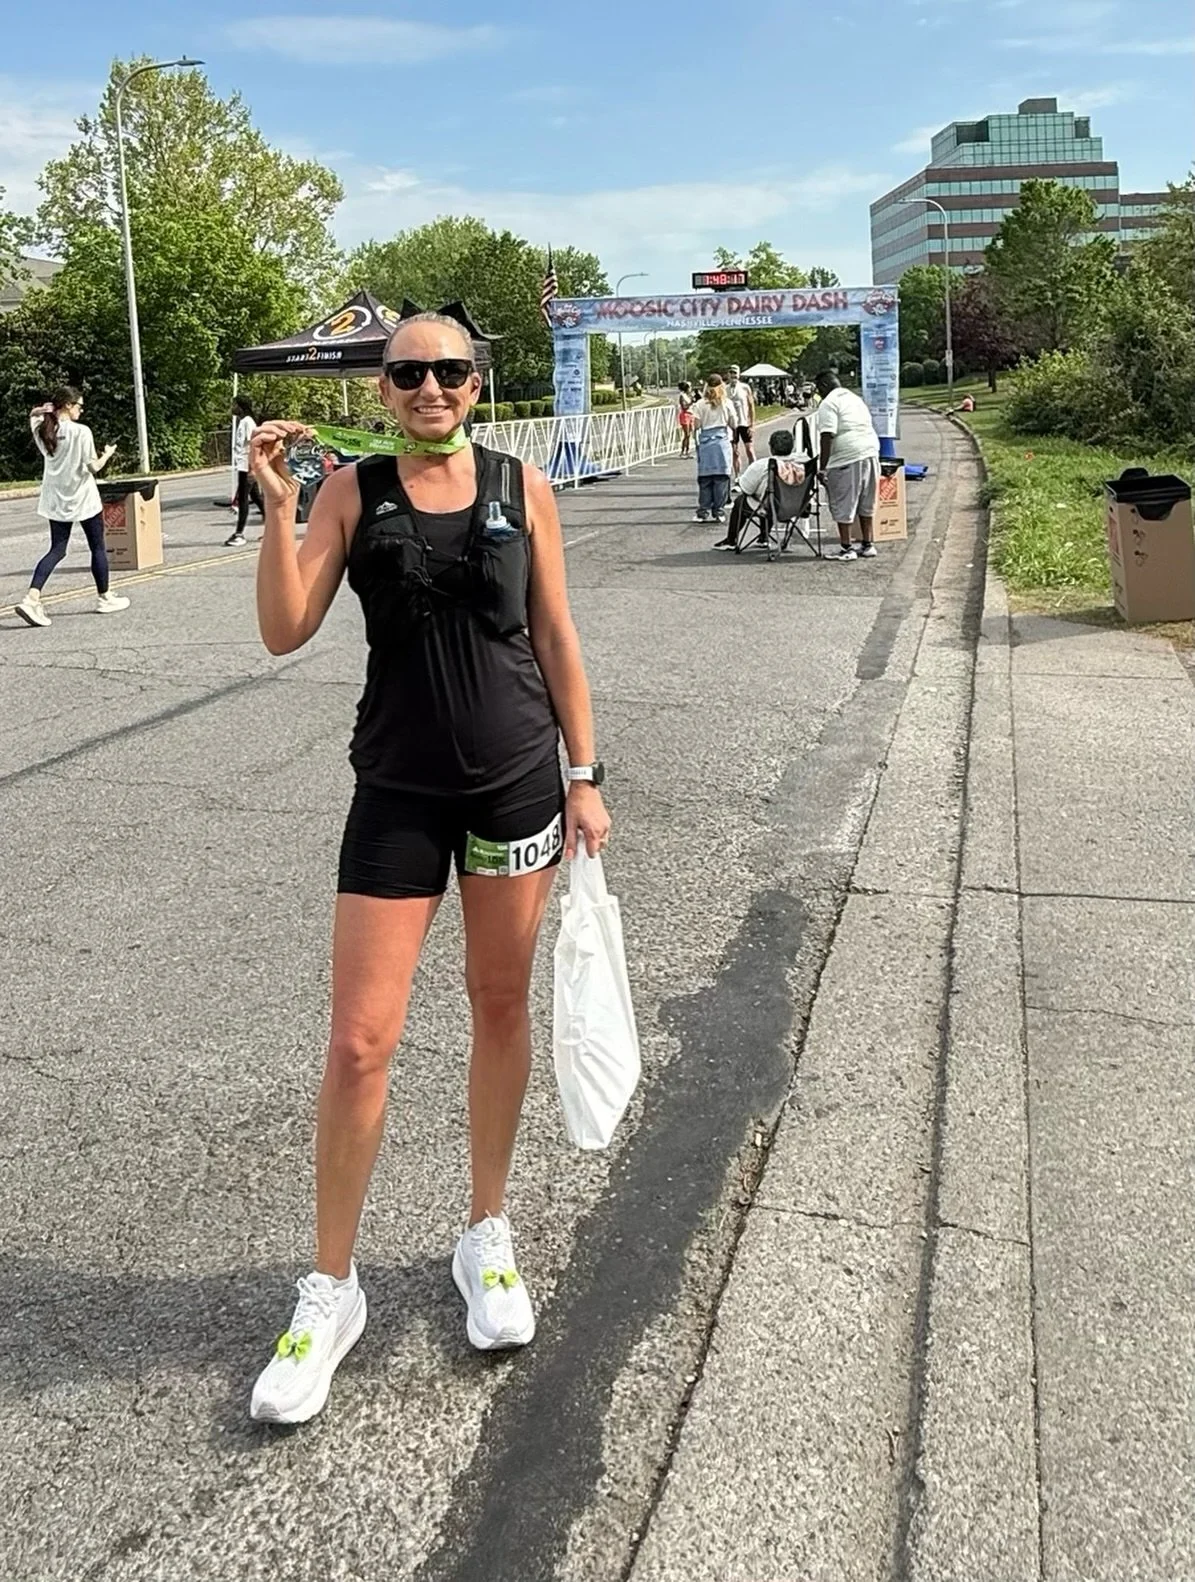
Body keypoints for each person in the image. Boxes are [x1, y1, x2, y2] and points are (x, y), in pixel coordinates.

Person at [246, 311, 611, 1425]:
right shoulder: (354, 492)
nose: (429, 387)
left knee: (500, 1007)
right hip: (397, 791)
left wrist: (584, 772)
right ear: (383, 386)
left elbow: (553, 637)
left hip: (513, 786)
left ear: (475, 380)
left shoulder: (520, 485)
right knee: (361, 1039)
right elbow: (284, 627)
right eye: (408, 372)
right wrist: (278, 510)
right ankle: (331, 1288)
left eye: (448, 370)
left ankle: (485, 1237)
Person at [14, 388, 128, 627]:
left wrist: (45, 409)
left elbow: (33, 414)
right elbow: (93, 467)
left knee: (57, 549)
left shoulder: (43, 429)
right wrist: (107, 454)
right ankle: (104, 597)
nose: (81, 409)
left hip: (56, 499)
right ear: (67, 405)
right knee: (97, 546)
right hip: (84, 498)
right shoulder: (81, 431)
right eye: (79, 405)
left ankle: (31, 597)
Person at [814, 369, 880, 561]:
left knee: (844, 502)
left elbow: (827, 435)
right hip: (870, 451)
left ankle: (846, 548)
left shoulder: (828, 403)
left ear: (825, 386)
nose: (819, 393)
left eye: (819, 389)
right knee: (866, 502)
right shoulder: (855, 399)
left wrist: (823, 467)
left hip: (846, 457)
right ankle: (868, 544)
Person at [714, 428, 807, 552]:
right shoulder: (803, 463)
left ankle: (731, 540)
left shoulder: (762, 465)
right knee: (767, 497)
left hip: (772, 507)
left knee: (743, 501)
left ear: (771, 448)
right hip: (799, 508)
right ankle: (764, 537)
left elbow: (746, 489)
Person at [689, 374, 736, 526]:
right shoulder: (727, 403)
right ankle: (719, 511)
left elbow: (696, 425)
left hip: (706, 442)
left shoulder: (700, 404)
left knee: (705, 479)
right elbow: (734, 423)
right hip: (722, 441)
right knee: (721, 478)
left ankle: (703, 511)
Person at [224, 397, 263, 548]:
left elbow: (254, 446)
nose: (233, 408)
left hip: (247, 466)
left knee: (243, 499)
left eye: (235, 405)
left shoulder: (248, 422)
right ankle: (273, 524)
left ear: (241, 407)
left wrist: (252, 469)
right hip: (242, 465)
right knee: (256, 498)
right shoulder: (244, 422)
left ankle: (239, 533)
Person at [725, 365, 756, 475]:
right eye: (731, 373)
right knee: (735, 452)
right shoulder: (725, 389)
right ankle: (738, 476)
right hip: (732, 425)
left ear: (739, 375)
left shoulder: (745, 387)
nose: (733, 375)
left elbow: (751, 406)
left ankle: (753, 474)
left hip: (744, 423)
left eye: (735, 373)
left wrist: (752, 425)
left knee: (750, 450)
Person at [676, 381, 697, 457]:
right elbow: (684, 407)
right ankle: (682, 451)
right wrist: (691, 402)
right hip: (685, 415)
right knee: (686, 434)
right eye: (689, 387)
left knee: (689, 435)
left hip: (691, 414)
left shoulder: (689, 395)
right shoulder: (682, 396)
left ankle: (687, 452)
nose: (691, 389)